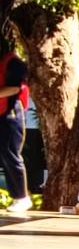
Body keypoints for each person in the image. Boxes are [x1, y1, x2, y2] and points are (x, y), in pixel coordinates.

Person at [0, 37, 31, 213]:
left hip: (11, 113)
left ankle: (21, 197)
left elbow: (15, 88)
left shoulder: (13, 63)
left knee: (10, 153)